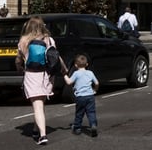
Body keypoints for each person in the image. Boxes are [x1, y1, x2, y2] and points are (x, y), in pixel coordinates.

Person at [16, 15, 57, 146]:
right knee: (40, 104)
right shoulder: (49, 40)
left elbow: (19, 60)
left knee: (37, 106)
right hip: (46, 76)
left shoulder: (23, 41)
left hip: (31, 75)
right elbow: (55, 55)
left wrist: (20, 67)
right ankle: (36, 130)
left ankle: (43, 135)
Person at [64, 53, 99, 137]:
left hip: (80, 97)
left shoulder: (76, 73)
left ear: (76, 65)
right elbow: (97, 82)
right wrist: (95, 90)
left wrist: (64, 75)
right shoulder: (90, 73)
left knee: (79, 113)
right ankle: (93, 125)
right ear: (87, 64)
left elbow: (69, 82)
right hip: (90, 96)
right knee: (91, 112)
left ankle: (77, 128)